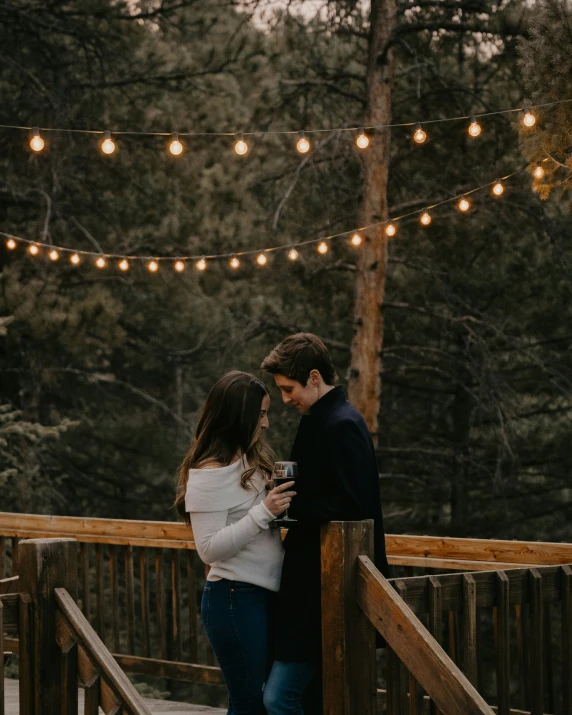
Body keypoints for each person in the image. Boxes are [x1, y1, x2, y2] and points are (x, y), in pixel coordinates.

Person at [260, 334, 391, 715]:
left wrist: (294, 503)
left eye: (289, 389)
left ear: (314, 377)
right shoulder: (321, 419)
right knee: (313, 698)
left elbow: (355, 505)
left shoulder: (342, 424)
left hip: (326, 586)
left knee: (280, 698)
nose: (285, 399)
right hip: (310, 583)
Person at [174, 371, 296, 715]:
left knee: (268, 700)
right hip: (234, 599)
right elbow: (209, 549)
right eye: (260, 414)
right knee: (248, 704)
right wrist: (263, 511)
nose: (267, 423)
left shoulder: (249, 461)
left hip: (264, 595)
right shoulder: (207, 473)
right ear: (238, 416)